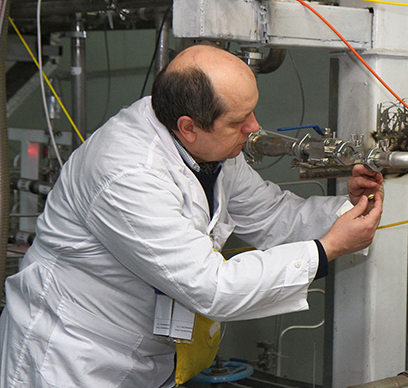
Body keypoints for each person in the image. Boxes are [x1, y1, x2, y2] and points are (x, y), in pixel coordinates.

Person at [0, 43, 384, 387]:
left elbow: (271, 215)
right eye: (239, 121)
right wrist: (327, 249)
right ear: (188, 127)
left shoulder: (209, 148)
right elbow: (211, 287)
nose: (254, 129)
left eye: (252, 112)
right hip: (74, 358)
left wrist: (348, 210)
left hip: (147, 355)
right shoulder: (127, 172)